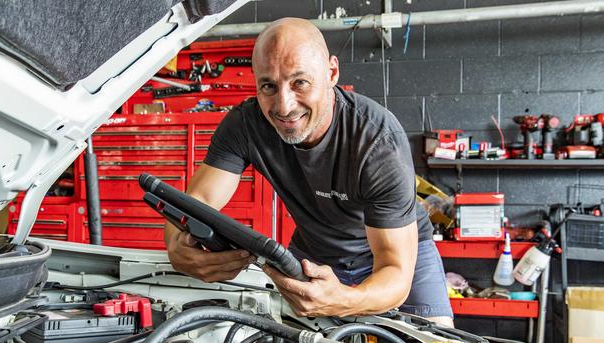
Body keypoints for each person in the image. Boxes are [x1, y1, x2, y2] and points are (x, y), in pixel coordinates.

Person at [164, 17, 453, 326]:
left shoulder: (378, 142)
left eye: (299, 82)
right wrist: (175, 248)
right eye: (269, 86)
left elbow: (395, 275)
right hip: (314, 252)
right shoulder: (245, 125)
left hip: (399, 253)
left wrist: (343, 301)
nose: (284, 106)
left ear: (331, 73)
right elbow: (196, 203)